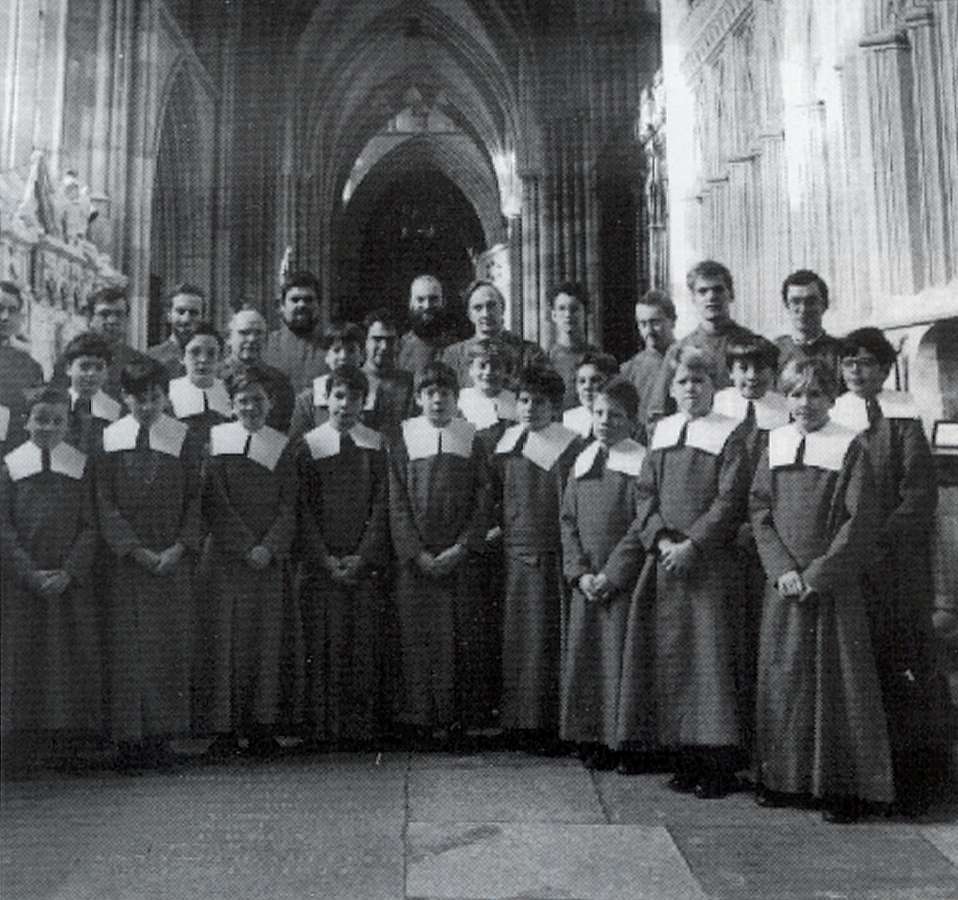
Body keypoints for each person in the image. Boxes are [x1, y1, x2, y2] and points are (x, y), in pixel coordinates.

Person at [600, 346, 750, 798]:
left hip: (707, 565)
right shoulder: (661, 432)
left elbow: (729, 501)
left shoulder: (731, 436)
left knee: (710, 663)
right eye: (683, 381)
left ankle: (718, 763)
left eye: (700, 381)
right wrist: (662, 539)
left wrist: (694, 544)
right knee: (674, 660)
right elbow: (645, 494)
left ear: (714, 387)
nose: (691, 388)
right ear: (670, 387)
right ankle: (683, 756)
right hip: (665, 561)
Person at [749, 357, 893, 823]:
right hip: (784, 586)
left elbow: (860, 521)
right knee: (783, 679)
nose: (803, 403)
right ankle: (783, 779)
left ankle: (841, 786)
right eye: (794, 394)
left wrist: (818, 575)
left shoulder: (850, 447)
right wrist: (782, 569)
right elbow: (760, 512)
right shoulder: (773, 443)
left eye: (814, 394)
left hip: (830, 586)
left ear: (831, 398)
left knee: (839, 684)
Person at [831, 327, 943, 815]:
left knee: (906, 662)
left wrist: (878, 541)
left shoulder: (902, 419)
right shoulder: (832, 419)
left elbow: (918, 491)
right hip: (849, 566)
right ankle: (859, 778)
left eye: (867, 363)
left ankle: (919, 776)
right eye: (849, 363)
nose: (857, 371)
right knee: (858, 668)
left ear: (883, 368)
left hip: (896, 566)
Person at [96, 359, 202, 768]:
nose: (148, 406)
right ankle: (129, 740)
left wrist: (179, 547)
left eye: (156, 397)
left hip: (171, 560)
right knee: (128, 650)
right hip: (128, 562)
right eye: (139, 398)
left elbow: (196, 497)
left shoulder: (183, 437)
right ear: (125, 398)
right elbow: (103, 501)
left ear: (165, 396)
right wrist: (133, 549)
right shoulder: (109, 438)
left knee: (167, 647)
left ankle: (162, 737)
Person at [388, 362, 490, 744]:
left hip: (457, 560)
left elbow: (483, 498)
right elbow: (396, 500)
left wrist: (463, 547)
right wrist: (415, 552)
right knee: (418, 640)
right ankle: (420, 718)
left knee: (459, 638)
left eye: (444, 393)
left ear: (455, 397)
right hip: (417, 564)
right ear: (418, 399)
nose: (437, 400)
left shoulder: (471, 438)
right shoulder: (402, 439)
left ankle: (454, 719)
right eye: (429, 393)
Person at [198, 367, 296, 759]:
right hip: (226, 560)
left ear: (270, 404)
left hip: (267, 563)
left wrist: (269, 546)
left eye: (258, 400)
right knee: (225, 643)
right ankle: (223, 729)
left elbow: (290, 504)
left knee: (263, 642)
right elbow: (214, 501)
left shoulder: (282, 446)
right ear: (231, 405)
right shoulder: (217, 442)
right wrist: (244, 545)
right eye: (243, 401)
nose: (251, 407)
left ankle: (261, 726)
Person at [0, 385, 100, 763]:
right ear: (26, 422)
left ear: (68, 425)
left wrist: (70, 570)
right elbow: (3, 528)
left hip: (67, 583)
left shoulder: (80, 466)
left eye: (57, 421)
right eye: (40, 419)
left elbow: (91, 525)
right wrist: (29, 573)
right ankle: (23, 744)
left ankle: (67, 741)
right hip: (22, 584)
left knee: (68, 658)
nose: (48, 427)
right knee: (21, 658)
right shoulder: (10, 467)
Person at [559, 379, 655, 773]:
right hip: (588, 581)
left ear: (632, 422)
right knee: (590, 660)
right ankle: (594, 735)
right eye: (599, 413)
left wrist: (613, 574)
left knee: (623, 659)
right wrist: (580, 572)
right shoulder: (582, 460)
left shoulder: (641, 462)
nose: (604, 421)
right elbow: (567, 520)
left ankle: (626, 741)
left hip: (622, 581)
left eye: (615, 415)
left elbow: (640, 524)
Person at [297, 365, 390, 746]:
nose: (345, 405)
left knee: (363, 645)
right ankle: (324, 729)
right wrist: (323, 558)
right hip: (323, 565)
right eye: (339, 396)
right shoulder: (308, 445)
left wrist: (364, 555)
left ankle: (361, 729)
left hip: (363, 565)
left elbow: (384, 504)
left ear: (363, 403)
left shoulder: (376, 443)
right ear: (327, 399)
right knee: (324, 644)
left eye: (354, 398)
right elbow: (301, 508)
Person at [712, 331, 790, 758]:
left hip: (768, 539)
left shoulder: (783, 415)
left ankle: (767, 742)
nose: (751, 376)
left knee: (764, 639)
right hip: (723, 543)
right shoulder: (720, 410)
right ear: (731, 372)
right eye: (742, 367)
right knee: (728, 641)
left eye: (760, 367)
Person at [494, 365, 580, 749]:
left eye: (539, 402)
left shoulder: (569, 445)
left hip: (550, 553)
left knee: (546, 641)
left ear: (555, 407)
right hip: (512, 554)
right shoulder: (505, 443)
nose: (529, 409)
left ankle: (548, 724)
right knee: (518, 643)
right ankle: (518, 723)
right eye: (523, 401)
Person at [646, 261, 751, 423]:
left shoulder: (749, 345)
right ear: (693, 298)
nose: (711, 297)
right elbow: (658, 412)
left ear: (731, 294)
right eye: (703, 291)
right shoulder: (678, 350)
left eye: (718, 289)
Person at [442, 280, 546, 389]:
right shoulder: (453, 356)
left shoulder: (529, 353)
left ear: (503, 308)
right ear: (469, 315)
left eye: (491, 305)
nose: (486, 313)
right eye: (478, 308)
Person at [55, 286, 151, 402]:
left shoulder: (137, 361)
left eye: (119, 314)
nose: (112, 320)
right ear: (90, 318)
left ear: (127, 319)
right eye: (104, 314)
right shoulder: (71, 356)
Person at [288, 322, 365, 441]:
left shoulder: (376, 397)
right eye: (337, 350)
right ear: (327, 356)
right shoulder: (307, 401)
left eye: (351, 350)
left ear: (361, 356)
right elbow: (296, 447)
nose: (343, 356)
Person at [220, 309, 295, 433]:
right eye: (244, 332)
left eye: (258, 333)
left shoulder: (280, 382)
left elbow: (282, 431)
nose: (252, 339)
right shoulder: (213, 379)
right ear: (228, 337)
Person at [773, 270, 844, 388]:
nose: (803, 309)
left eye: (811, 301)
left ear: (825, 304)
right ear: (786, 306)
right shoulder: (774, 352)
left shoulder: (840, 352)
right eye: (795, 302)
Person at [262, 270, 328, 394]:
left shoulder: (333, 348)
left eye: (309, 300)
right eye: (295, 299)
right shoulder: (264, 346)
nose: (302, 305)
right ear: (281, 306)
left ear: (319, 305)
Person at [620, 289, 676, 429]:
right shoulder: (628, 370)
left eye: (655, 322)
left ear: (673, 321)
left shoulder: (687, 359)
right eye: (643, 324)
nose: (649, 331)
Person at [167, 323, 232, 445]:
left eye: (211, 353)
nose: (203, 359)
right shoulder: (168, 393)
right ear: (182, 357)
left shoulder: (229, 392)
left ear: (220, 358)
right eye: (195, 352)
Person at [60, 332, 121, 456]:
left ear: (107, 372)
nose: (91, 373)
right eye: (85, 367)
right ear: (68, 368)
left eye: (99, 368)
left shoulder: (116, 411)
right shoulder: (54, 404)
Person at [1, 281, 44, 451]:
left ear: (20, 317)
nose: (4, 317)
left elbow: (36, 415)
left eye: (12, 311)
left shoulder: (31, 368)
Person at [361, 309, 414, 445]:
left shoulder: (410, 383)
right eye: (377, 340)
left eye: (390, 341)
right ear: (365, 342)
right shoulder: (353, 380)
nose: (384, 347)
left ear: (399, 344)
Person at [546, 282, 600, 410]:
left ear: (586, 313)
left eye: (574, 309)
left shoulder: (599, 358)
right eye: (562, 308)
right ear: (553, 315)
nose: (568, 315)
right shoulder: (545, 360)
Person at [397, 274, 456, 378]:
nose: (427, 306)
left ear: (443, 302)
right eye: (420, 299)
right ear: (411, 303)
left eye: (433, 299)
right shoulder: (398, 348)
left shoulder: (456, 348)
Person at [456, 340, 518, 436]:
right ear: (470, 369)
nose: (488, 372)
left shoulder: (515, 402)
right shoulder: (460, 400)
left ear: (506, 371)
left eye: (496, 366)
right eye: (482, 366)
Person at [147, 284, 205, 379]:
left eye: (193, 313)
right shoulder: (151, 359)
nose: (186, 319)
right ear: (169, 315)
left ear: (202, 318)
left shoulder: (212, 360)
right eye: (180, 311)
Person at [563, 352, 620, 439]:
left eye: (595, 380)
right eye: (582, 381)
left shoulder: (622, 421)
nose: (587, 387)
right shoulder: (568, 419)